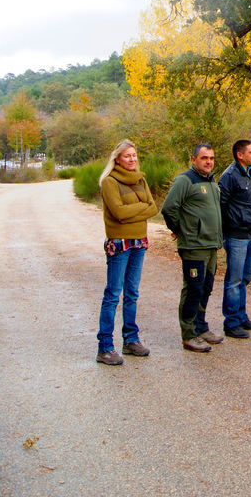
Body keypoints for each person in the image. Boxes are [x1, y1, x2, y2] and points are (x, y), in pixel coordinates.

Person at [96, 140, 157, 366]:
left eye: (134, 155)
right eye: (127, 156)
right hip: (119, 243)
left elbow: (154, 207)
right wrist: (140, 209)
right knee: (113, 294)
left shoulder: (141, 179)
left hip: (139, 241)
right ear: (117, 159)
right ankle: (105, 347)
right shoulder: (109, 182)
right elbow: (119, 213)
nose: (132, 159)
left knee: (132, 292)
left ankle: (130, 339)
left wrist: (135, 211)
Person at [161, 143, 224, 353]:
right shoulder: (185, 180)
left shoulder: (211, 182)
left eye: (212, 158)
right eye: (204, 158)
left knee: (205, 287)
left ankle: (201, 327)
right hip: (193, 246)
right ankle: (188, 334)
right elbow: (169, 208)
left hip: (210, 246)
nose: (209, 162)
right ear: (194, 159)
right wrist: (180, 229)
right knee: (193, 288)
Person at [218, 138, 251, 339]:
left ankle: (241, 316)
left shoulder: (249, 174)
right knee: (234, 280)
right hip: (236, 236)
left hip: (250, 234)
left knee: (245, 278)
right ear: (240, 155)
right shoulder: (230, 176)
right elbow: (222, 205)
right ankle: (232, 322)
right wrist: (232, 226)